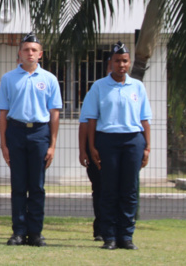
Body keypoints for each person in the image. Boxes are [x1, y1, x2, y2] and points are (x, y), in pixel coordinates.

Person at [84, 42, 151, 250]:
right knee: (109, 190)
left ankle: (126, 236)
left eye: (124, 61)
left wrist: (147, 147)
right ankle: (109, 236)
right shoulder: (99, 86)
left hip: (133, 141)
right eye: (117, 61)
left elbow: (145, 119)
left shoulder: (137, 87)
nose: (121, 65)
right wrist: (92, 146)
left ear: (129, 63)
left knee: (129, 190)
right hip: (108, 140)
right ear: (110, 63)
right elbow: (91, 119)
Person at [0, 33, 61, 247]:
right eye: (26, 49)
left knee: (37, 186)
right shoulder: (8, 78)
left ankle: (35, 233)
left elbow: (54, 114)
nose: (30, 53)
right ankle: (18, 232)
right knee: (18, 186)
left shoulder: (50, 79)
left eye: (34, 50)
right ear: (20, 53)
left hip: (40, 134)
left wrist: (52, 145)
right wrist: (3, 143)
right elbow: (3, 113)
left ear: (40, 54)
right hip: (16, 132)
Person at [79, 57, 112, 242]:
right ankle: (100, 228)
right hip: (97, 143)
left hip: (118, 144)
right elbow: (84, 122)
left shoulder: (133, 87)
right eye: (112, 64)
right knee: (99, 188)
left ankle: (116, 227)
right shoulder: (97, 90)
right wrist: (83, 150)